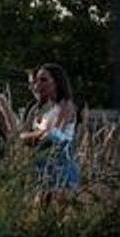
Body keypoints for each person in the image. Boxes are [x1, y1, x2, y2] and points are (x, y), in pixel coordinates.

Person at [19, 62, 80, 197]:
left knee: (55, 213)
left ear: (57, 82)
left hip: (60, 166)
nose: (37, 84)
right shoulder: (36, 108)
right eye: (36, 81)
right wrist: (41, 134)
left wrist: (34, 136)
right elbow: (22, 137)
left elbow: (55, 135)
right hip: (38, 165)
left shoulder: (66, 105)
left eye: (44, 80)